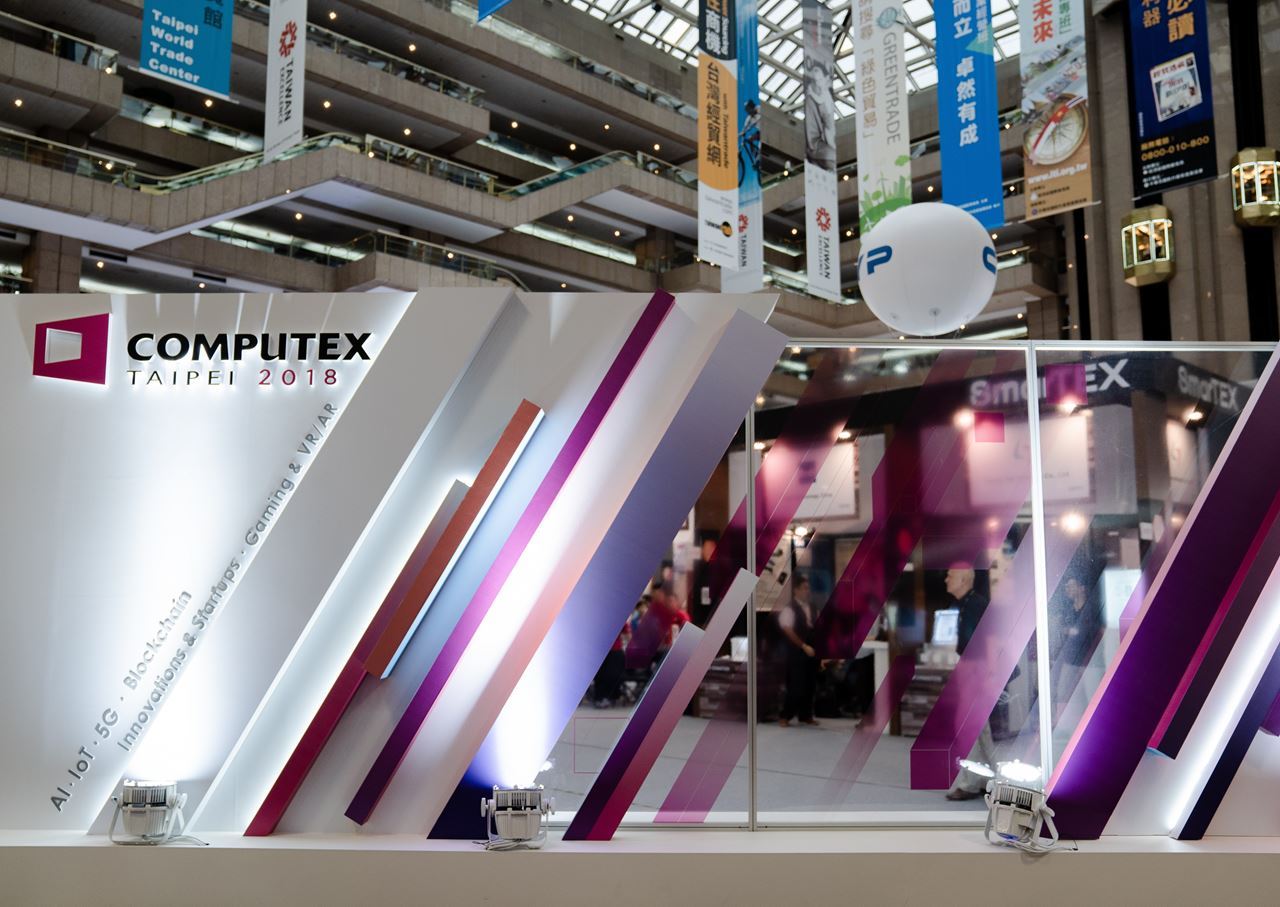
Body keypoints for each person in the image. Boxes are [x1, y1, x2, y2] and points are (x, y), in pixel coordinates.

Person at [944, 565, 997, 801]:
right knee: (979, 727)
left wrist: (989, 675)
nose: (946, 579)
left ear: (964, 579)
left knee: (966, 726)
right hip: (971, 666)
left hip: (977, 668)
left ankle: (970, 783)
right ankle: (991, 779)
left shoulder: (976, 605)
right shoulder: (966, 604)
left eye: (950, 576)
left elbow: (990, 640)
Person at [778, 575, 821, 727]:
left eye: (808, 588)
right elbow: (788, 630)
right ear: (796, 590)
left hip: (813, 649)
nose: (807, 591)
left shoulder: (813, 607)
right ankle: (785, 715)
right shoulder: (789, 609)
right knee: (796, 684)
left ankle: (806, 715)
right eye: (804, 588)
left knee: (810, 684)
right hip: (796, 651)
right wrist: (803, 646)